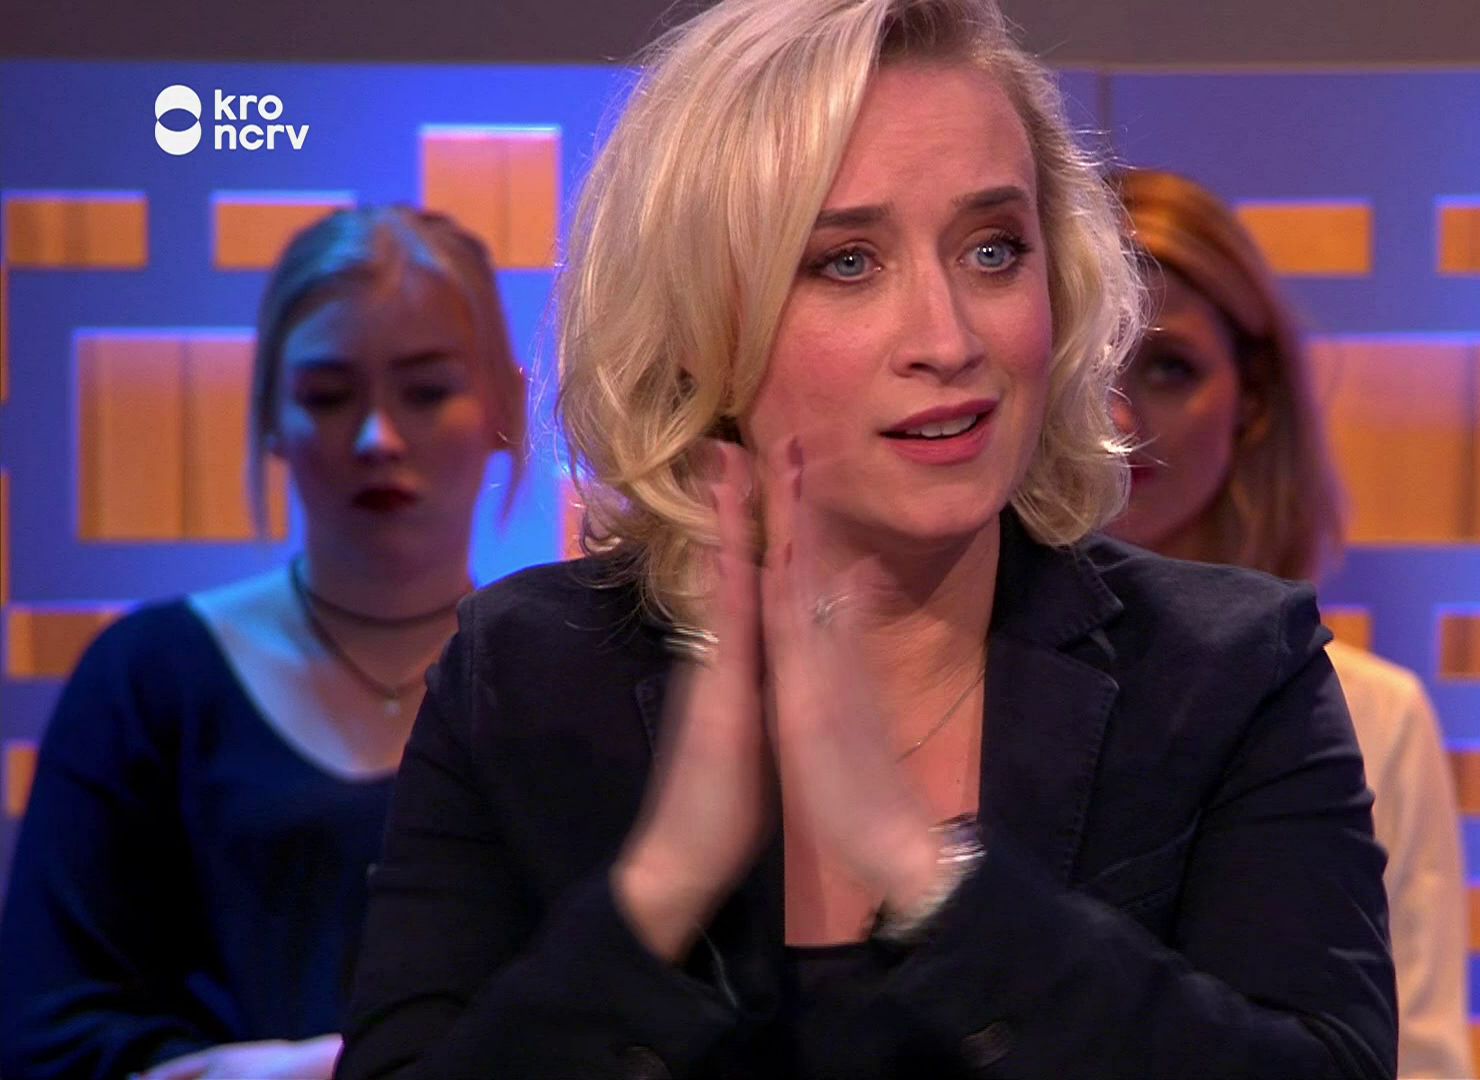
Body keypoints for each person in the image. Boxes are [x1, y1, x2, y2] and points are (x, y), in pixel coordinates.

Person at [336, 1, 1396, 1077]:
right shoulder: (523, 677)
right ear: (701, 319)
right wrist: (662, 886)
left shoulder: (1227, 677)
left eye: (994, 250)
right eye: (846, 261)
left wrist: (930, 879)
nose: (947, 338)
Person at [0, 206, 529, 1080]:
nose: (378, 438)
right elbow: (43, 1034)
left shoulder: (568, 682)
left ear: (503, 407)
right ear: (271, 416)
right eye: (328, 397)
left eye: (427, 391)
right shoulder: (149, 681)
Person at [1106, 168, 1473, 1078]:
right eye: (1088, 361)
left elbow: (1420, 1059)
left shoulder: (1373, 714)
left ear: (1255, 399)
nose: (1118, 415)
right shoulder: (952, 674)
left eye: (1168, 367)